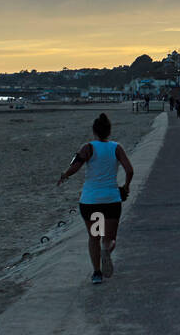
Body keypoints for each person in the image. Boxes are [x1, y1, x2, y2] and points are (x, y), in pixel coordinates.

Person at [57, 112, 135, 284]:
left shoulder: (88, 147)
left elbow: (75, 167)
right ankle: (106, 250)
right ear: (109, 131)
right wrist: (126, 187)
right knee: (109, 239)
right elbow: (129, 170)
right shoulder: (116, 147)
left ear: (94, 131)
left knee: (95, 236)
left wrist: (64, 175)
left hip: (91, 202)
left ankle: (97, 273)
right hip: (111, 201)